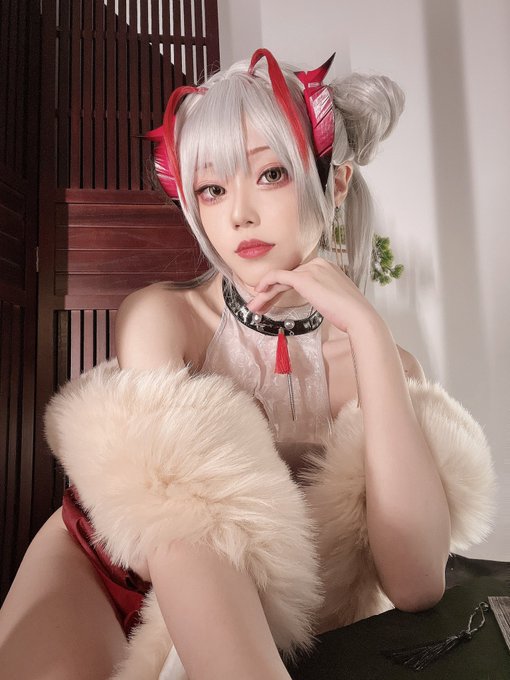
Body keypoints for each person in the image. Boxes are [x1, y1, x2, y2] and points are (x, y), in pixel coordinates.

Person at [0, 48, 495, 680]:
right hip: (104, 573)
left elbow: (417, 583)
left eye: (270, 174)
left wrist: (369, 334)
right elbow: (178, 535)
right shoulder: (163, 319)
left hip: (263, 621)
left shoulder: (381, 363)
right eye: (212, 188)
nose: (239, 214)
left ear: (336, 183)